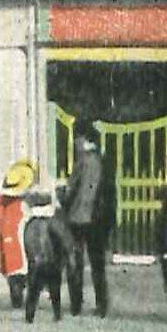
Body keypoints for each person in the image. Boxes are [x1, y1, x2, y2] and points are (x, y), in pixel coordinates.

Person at [64, 121, 113, 317]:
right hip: (99, 218)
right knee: (97, 264)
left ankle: (76, 304)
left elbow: (72, 189)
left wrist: (64, 200)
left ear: (83, 139)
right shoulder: (104, 161)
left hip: (78, 218)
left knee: (76, 262)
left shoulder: (82, 161)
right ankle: (102, 305)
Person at [0, 160, 38, 309]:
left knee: (14, 266)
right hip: (16, 243)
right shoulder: (20, 205)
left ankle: (18, 292)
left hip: (10, 247)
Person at [21, 186, 76, 323]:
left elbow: (27, 243)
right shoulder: (54, 222)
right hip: (52, 261)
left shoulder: (30, 224)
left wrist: (31, 257)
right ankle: (57, 313)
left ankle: (30, 315)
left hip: (35, 262)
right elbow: (64, 239)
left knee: (33, 289)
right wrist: (69, 255)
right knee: (54, 288)